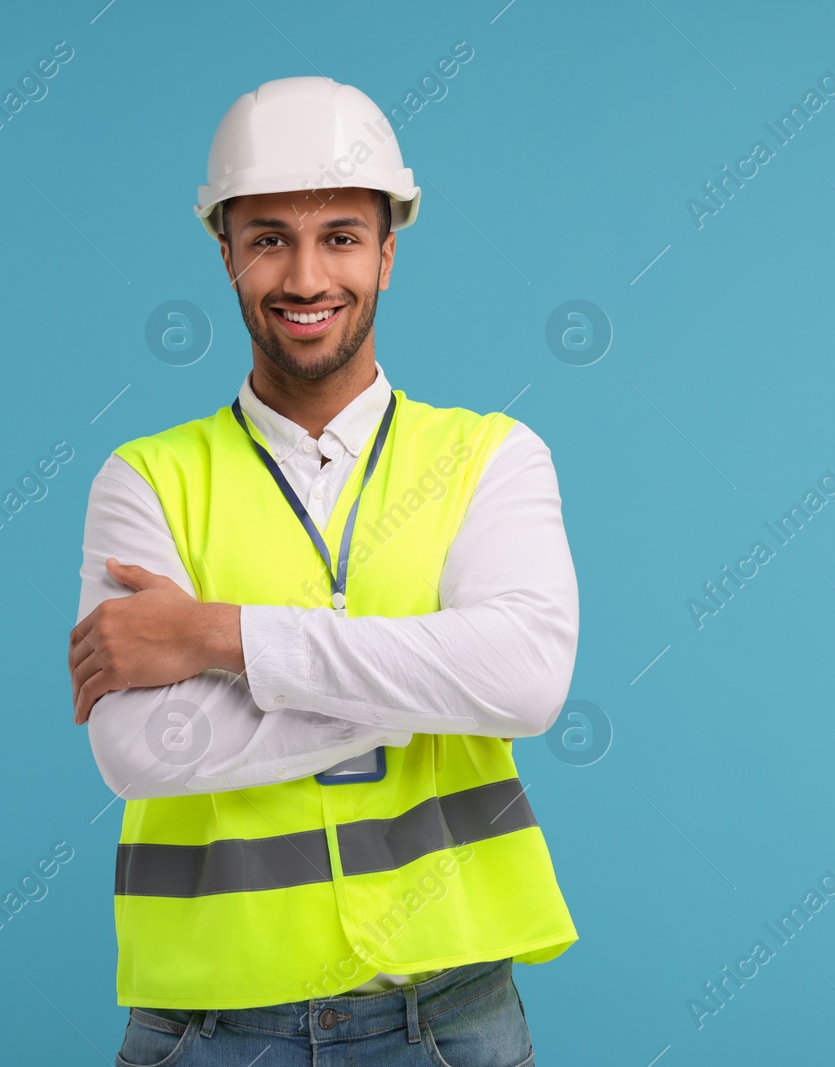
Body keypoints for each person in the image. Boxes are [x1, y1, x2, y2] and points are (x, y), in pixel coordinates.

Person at [68, 75, 579, 1065]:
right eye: (269, 238)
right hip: (209, 1025)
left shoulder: (491, 456)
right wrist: (437, 678)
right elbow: (140, 748)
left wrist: (215, 636)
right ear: (224, 253)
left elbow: (523, 682)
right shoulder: (146, 480)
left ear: (388, 250)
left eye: (340, 235)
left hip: (449, 1014)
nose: (305, 276)